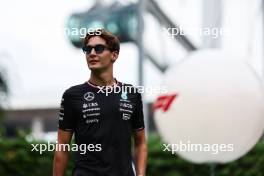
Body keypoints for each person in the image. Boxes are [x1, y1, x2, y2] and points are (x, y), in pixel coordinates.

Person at [53, 29, 147, 176]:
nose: (92, 53)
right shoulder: (72, 95)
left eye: (99, 48)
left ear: (114, 55)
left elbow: (141, 144)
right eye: (87, 49)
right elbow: (62, 147)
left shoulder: (132, 94)